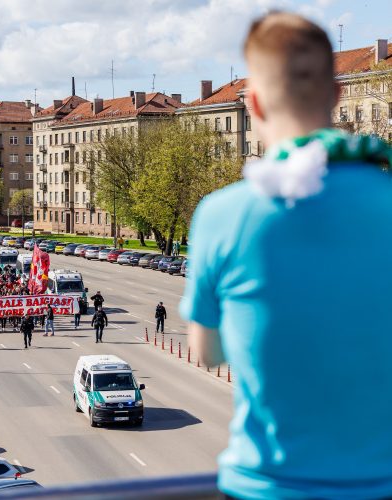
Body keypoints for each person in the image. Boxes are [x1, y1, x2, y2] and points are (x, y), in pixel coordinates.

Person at [181, 12, 392, 500]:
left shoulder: (221, 215)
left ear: (253, 102)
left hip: (268, 485)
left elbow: (207, 353)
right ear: (337, 96)